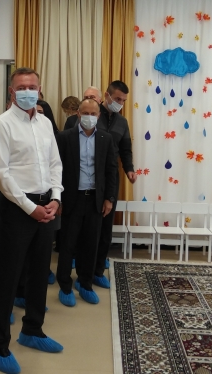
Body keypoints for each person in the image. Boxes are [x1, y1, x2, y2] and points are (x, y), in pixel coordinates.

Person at [0, 67, 63, 374]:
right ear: (11, 91)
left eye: (32, 86)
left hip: (47, 205)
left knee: (39, 272)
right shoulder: (2, 125)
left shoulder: (45, 123)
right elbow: (1, 174)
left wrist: (56, 197)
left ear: (40, 90)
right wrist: (30, 207)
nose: (28, 91)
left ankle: (32, 329)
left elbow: (55, 163)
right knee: (8, 276)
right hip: (17, 208)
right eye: (21, 87)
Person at [55, 99, 117, 307]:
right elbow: (56, 169)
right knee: (68, 244)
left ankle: (85, 283)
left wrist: (109, 198)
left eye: (93, 113)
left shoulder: (106, 139)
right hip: (72, 199)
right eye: (85, 113)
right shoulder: (65, 137)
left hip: (96, 200)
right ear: (78, 114)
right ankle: (65, 285)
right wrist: (57, 198)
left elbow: (111, 171)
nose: (89, 117)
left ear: (98, 116)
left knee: (91, 244)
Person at [91, 81, 137, 289]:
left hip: (111, 179)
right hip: (90, 177)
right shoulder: (92, 115)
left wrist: (129, 169)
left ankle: (98, 270)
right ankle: (84, 270)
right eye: (117, 99)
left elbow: (125, 149)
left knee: (106, 229)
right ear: (107, 95)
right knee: (89, 227)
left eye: (124, 101)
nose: (120, 103)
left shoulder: (122, 122)